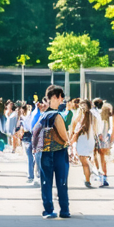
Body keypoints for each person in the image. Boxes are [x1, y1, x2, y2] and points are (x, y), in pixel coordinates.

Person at [36, 86, 72, 219]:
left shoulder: (42, 115)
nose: (62, 100)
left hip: (43, 152)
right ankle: (64, 209)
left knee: (46, 182)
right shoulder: (57, 116)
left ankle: (48, 209)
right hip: (59, 152)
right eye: (61, 97)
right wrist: (69, 140)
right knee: (61, 182)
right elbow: (63, 136)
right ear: (55, 97)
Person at [68, 98, 97, 189]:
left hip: (82, 140)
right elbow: (96, 130)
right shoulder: (94, 117)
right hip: (90, 140)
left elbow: (74, 127)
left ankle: (87, 180)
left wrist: (71, 137)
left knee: (84, 162)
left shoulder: (80, 116)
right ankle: (89, 174)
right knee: (86, 160)